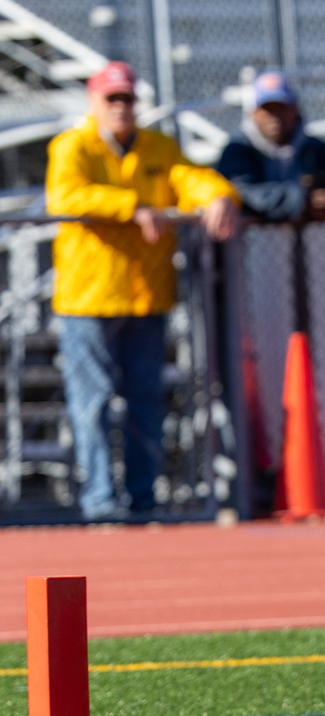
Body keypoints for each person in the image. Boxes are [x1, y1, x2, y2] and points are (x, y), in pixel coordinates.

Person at [46, 61, 239, 521]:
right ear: (94, 102)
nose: (120, 107)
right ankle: (100, 502)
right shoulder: (72, 146)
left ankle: (142, 498)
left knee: (145, 402)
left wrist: (220, 196)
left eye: (127, 98)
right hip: (87, 299)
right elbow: (65, 196)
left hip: (146, 297)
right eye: (112, 99)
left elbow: (190, 179)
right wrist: (131, 206)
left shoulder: (158, 146)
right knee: (91, 403)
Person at [215, 72, 325, 222]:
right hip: (251, 244)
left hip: (313, 244)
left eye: (281, 107)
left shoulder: (313, 148)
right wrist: (302, 201)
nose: (274, 116)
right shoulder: (238, 149)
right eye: (267, 109)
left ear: (294, 109)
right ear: (253, 113)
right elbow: (240, 191)